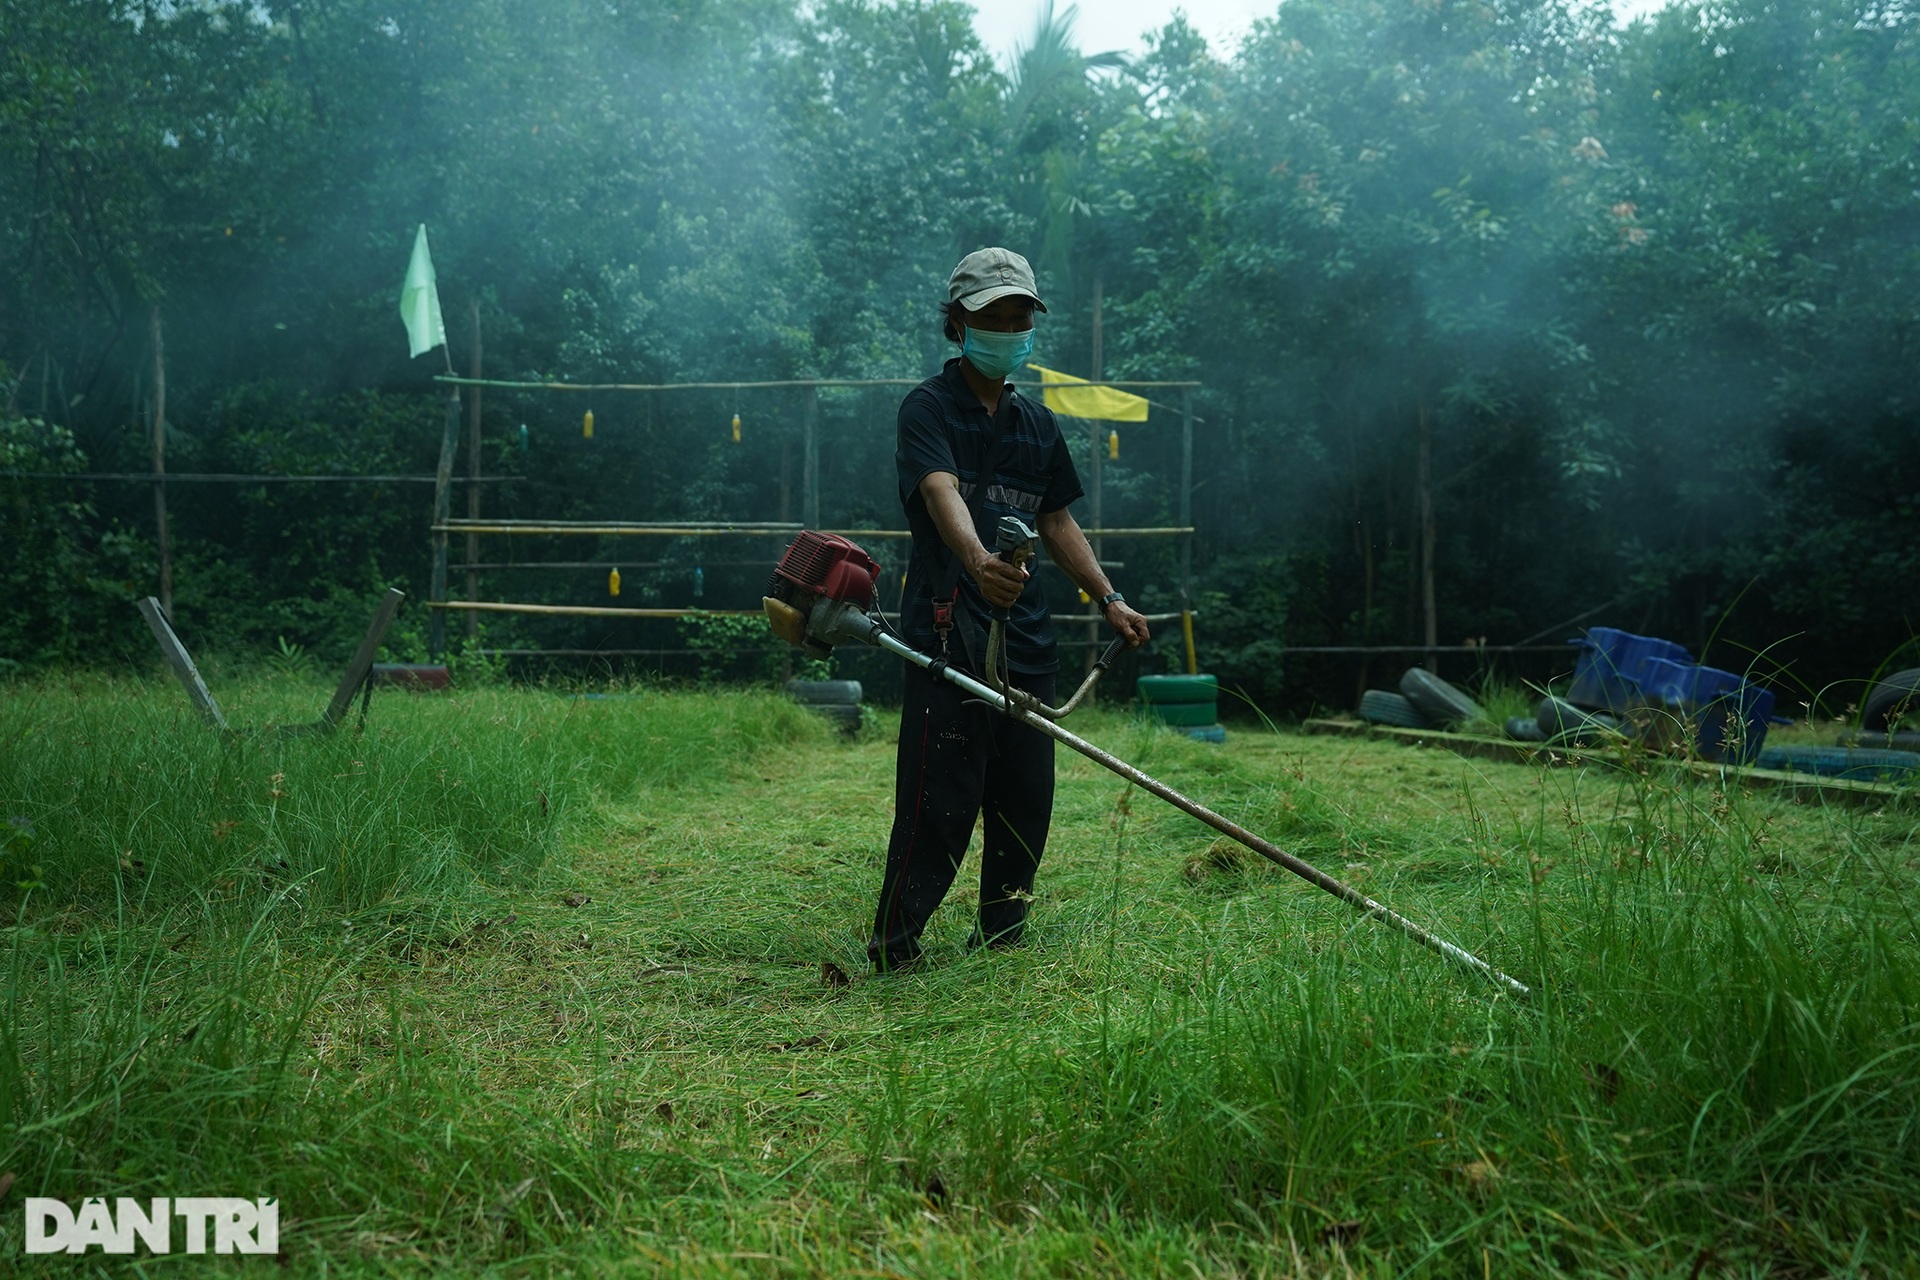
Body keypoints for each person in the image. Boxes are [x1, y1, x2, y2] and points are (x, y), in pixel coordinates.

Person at [868, 247, 1151, 973]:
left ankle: (1003, 935)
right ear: (959, 325)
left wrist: (1109, 597)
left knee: (1027, 797)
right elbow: (941, 494)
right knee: (942, 799)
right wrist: (978, 565)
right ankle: (896, 950)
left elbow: (1056, 522)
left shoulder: (1038, 424)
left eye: (1020, 315)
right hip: (948, 630)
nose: (1010, 327)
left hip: (1025, 637)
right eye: (994, 316)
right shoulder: (927, 408)